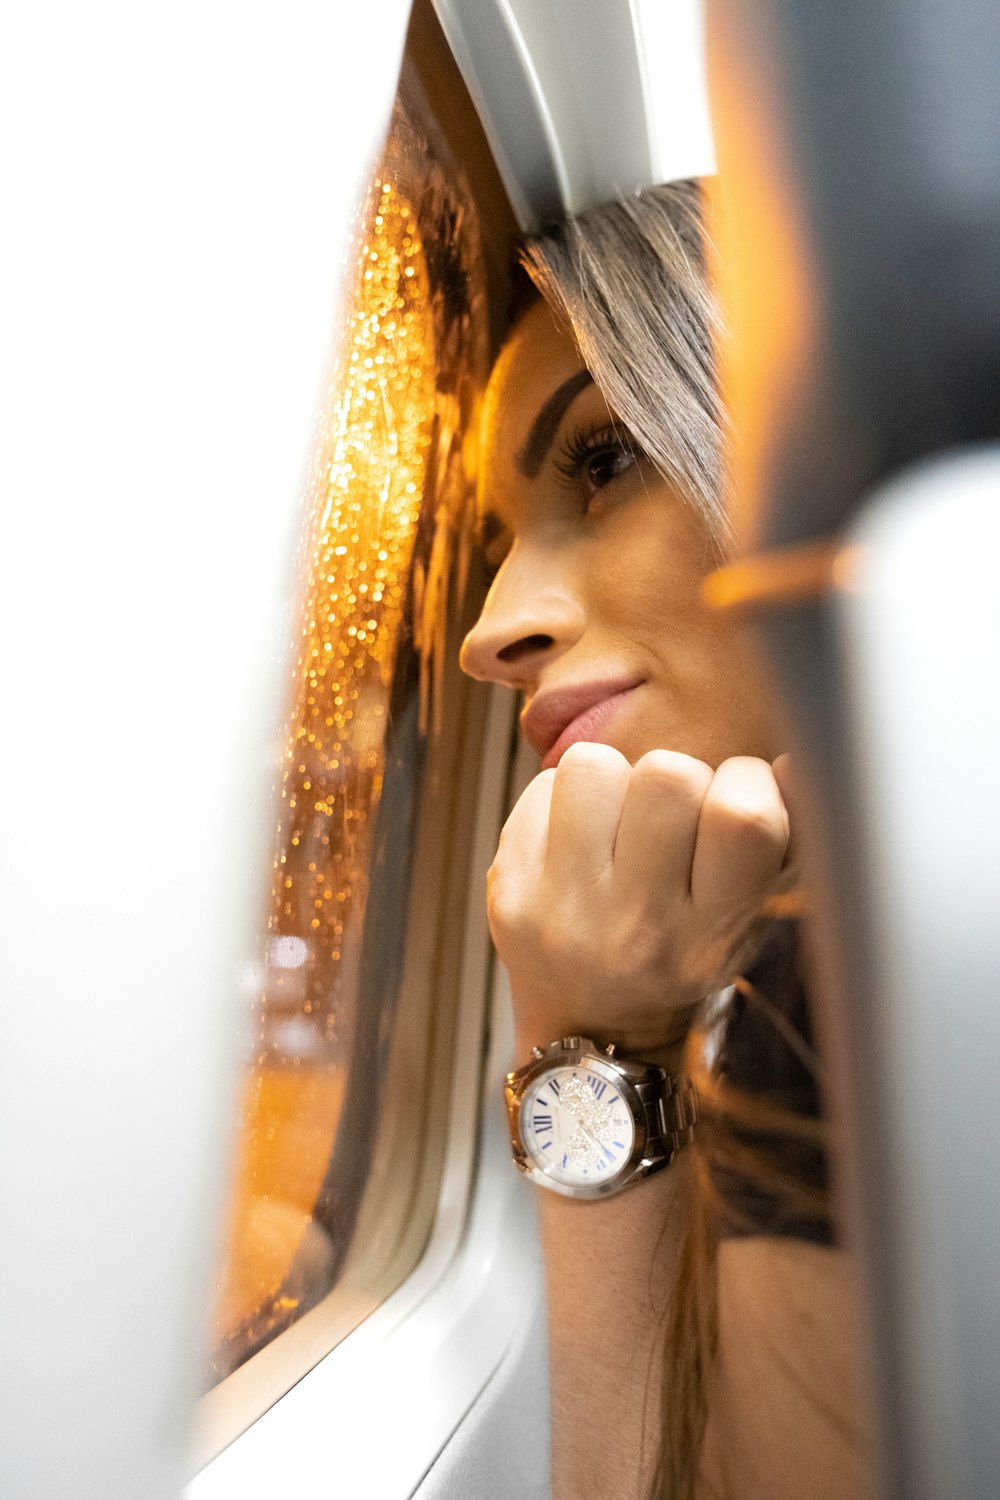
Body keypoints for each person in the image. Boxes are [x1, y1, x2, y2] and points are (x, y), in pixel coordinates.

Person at [459, 182, 874, 1500]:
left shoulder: (835, 1008)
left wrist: (591, 1042)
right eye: (491, 546)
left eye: (603, 456)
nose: (488, 630)